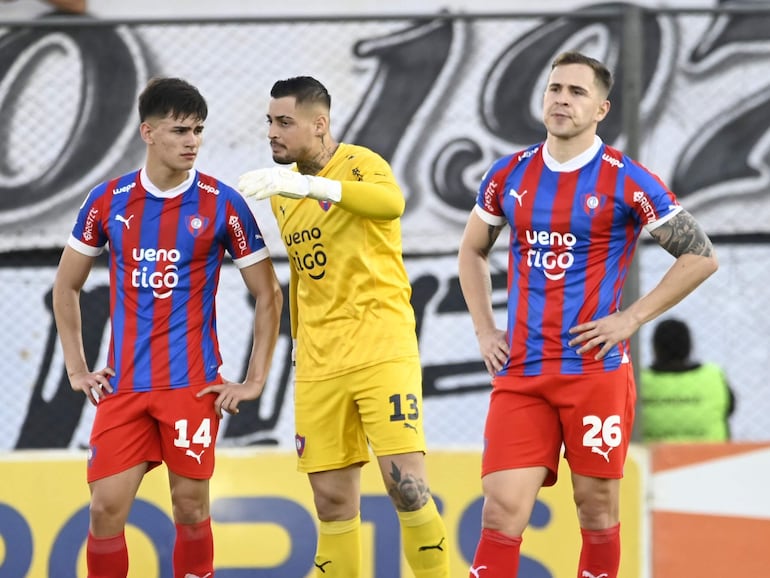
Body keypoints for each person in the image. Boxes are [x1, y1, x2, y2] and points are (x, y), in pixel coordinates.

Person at [457, 51, 718, 578]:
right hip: (522, 373)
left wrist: (631, 319)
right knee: (502, 508)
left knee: (595, 510)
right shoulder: (510, 173)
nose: (562, 99)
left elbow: (700, 256)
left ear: (602, 108)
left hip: (594, 374)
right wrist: (486, 330)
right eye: (555, 88)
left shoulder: (628, 179)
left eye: (577, 92)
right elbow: (472, 251)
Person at [52, 76, 282, 578]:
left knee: (191, 508)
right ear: (148, 133)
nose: (192, 141)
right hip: (126, 386)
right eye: (180, 130)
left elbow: (268, 294)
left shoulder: (222, 203)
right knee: (104, 510)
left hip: (191, 385)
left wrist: (255, 378)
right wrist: (77, 368)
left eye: (198, 130)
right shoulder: (107, 200)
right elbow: (65, 287)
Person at [237, 76, 449, 577]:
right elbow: (307, 276)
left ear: (320, 124)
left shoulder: (359, 164)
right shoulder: (281, 193)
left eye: (284, 122)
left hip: (381, 348)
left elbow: (391, 204)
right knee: (331, 500)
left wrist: (310, 184)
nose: (273, 132)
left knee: (406, 486)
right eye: (269, 122)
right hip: (319, 362)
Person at [640, 318, 735, 442]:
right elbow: (730, 409)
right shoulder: (714, 377)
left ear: (655, 347)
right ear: (689, 346)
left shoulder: (638, 381)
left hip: (649, 459)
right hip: (711, 458)